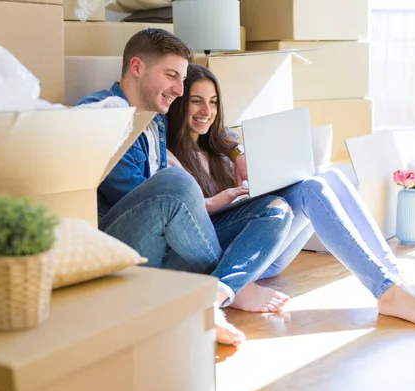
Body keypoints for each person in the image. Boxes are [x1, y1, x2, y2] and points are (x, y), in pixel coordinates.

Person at [167, 64, 415, 328]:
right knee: (311, 190)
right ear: (180, 103)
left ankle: (395, 278)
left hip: (262, 246)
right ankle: (387, 291)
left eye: (213, 102)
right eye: (196, 101)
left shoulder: (220, 146)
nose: (206, 110)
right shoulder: (170, 155)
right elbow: (187, 224)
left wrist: (238, 154)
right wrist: (224, 199)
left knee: (331, 176)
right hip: (231, 257)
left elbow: (227, 137)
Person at [74, 29, 295, 346]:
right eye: (171, 76)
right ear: (137, 67)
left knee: (276, 210)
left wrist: (212, 195)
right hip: (126, 250)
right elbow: (136, 198)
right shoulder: (100, 112)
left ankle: (218, 294)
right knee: (176, 181)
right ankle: (232, 288)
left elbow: (214, 143)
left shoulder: (156, 120)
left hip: (171, 247)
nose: (179, 89)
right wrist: (193, 196)